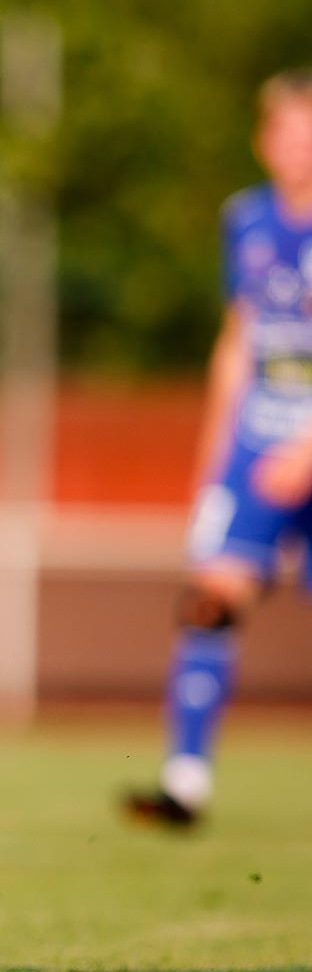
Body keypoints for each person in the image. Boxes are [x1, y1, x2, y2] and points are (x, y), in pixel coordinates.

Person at [125, 69, 312, 829]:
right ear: (265, 141)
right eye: (289, 133)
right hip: (255, 449)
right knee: (209, 599)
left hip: (301, 450)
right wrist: (213, 462)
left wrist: (306, 451)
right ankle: (186, 780)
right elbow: (239, 339)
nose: (300, 149)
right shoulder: (248, 220)